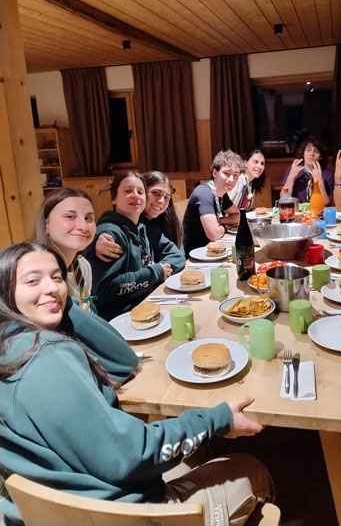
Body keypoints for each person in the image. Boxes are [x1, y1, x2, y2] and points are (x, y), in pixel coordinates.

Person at [0, 242, 274, 526]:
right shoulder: (47, 359)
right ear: (4, 291)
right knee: (251, 467)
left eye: (57, 277)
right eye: (33, 281)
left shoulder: (11, 344)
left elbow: (123, 361)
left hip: (55, 509)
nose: (51, 287)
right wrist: (218, 420)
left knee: (199, 449)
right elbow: (128, 455)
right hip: (120, 515)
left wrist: (60, 301)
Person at [87, 172, 176, 321]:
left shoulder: (143, 228)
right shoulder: (109, 235)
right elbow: (106, 289)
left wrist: (158, 272)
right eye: (128, 191)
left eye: (140, 192)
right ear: (114, 198)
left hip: (145, 304)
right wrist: (155, 272)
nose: (135, 195)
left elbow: (177, 256)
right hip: (120, 318)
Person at [95, 172, 185, 269]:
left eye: (166, 197)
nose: (161, 201)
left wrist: (158, 271)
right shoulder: (117, 228)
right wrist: (94, 242)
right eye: (155, 193)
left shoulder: (168, 219)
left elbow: (178, 255)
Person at [34, 187, 96, 310]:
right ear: (46, 224)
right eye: (70, 216)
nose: (83, 226)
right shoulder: (33, 275)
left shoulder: (83, 266)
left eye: (88, 218)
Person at [182, 150, 242, 256]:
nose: (231, 179)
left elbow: (237, 216)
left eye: (235, 175)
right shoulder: (204, 193)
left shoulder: (221, 193)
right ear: (214, 173)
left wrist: (220, 221)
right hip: (195, 256)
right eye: (226, 173)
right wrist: (223, 227)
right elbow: (213, 234)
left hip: (212, 252)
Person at [281, 137, 334, 205]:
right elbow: (283, 199)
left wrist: (319, 182)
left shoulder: (327, 173)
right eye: (308, 150)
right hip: (298, 209)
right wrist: (291, 177)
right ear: (303, 153)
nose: (311, 154)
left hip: (318, 209)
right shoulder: (293, 169)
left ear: (321, 156)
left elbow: (325, 202)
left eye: (316, 151)